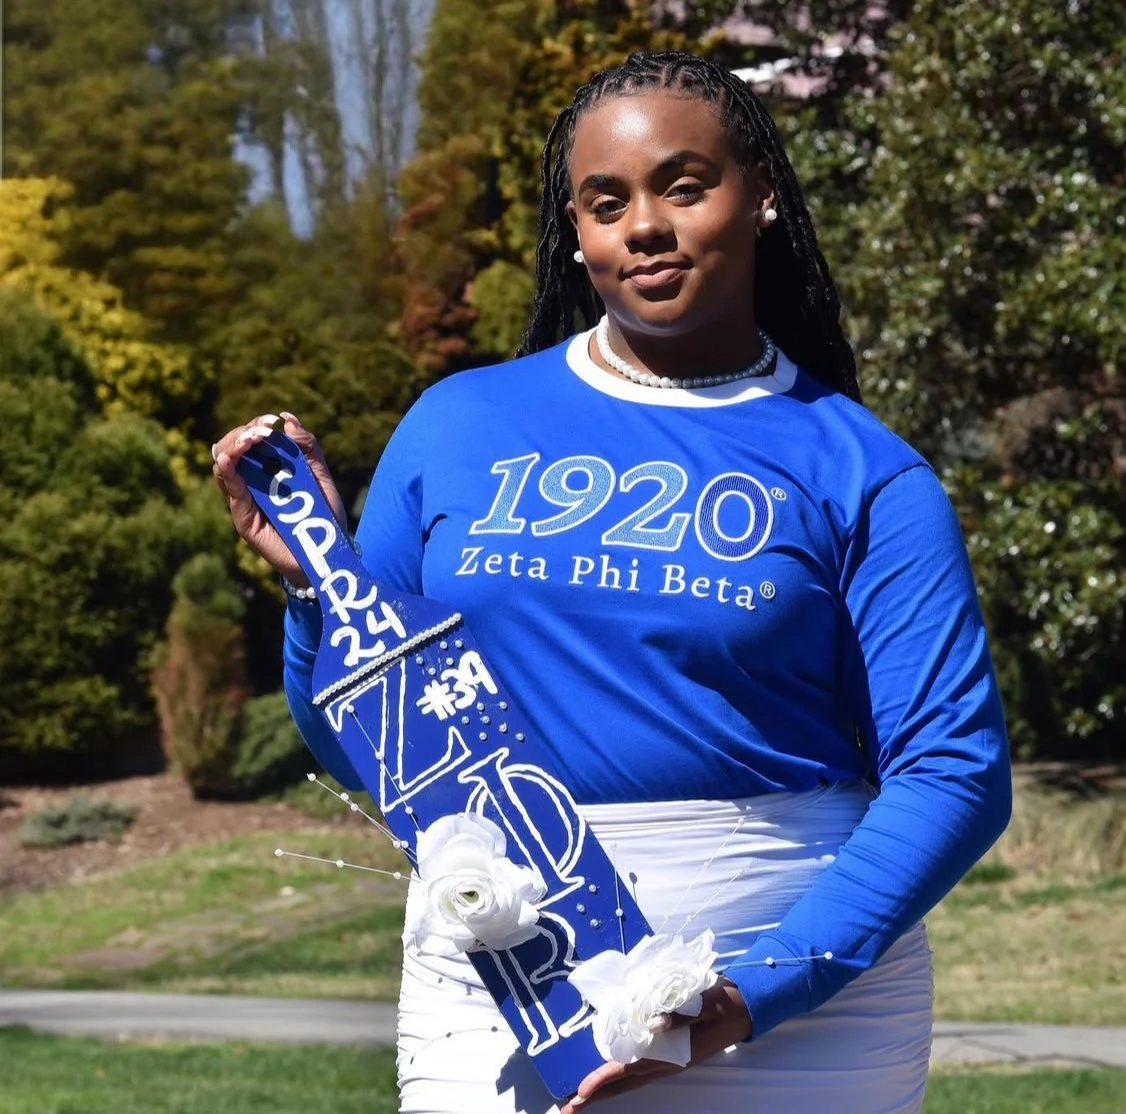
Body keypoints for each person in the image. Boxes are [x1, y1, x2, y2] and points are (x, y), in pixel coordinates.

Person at [212, 50, 1011, 1114]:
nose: (644, 225)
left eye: (685, 185)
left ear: (761, 194)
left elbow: (953, 774)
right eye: (606, 201)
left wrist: (742, 997)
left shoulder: (863, 470)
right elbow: (364, 744)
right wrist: (319, 584)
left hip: (790, 1002)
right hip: (503, 978)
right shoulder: (458, 426)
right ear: (576, 229)